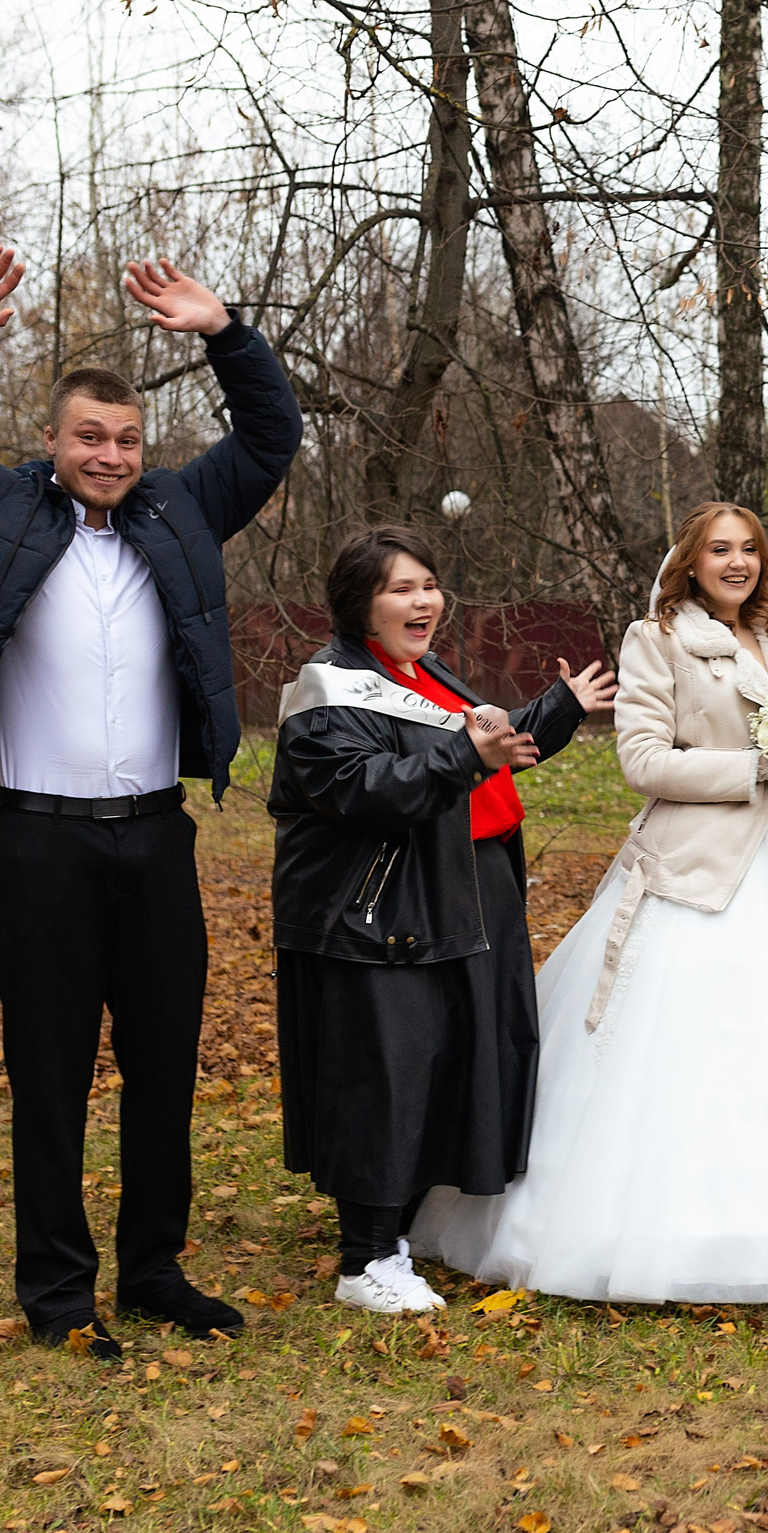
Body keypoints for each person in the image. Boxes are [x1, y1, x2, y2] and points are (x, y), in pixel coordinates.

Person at [0, 244, 302, 1356]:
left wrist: (223, 333)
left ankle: (155, 1270)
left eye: (126, 439)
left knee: (165, 1062)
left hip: (155, 836)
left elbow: (272, 437)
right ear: (50, 439)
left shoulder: (179, 512)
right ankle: (59, 1291)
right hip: (35, 841)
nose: (110, 455)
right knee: (50, 1067)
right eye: (89, 436)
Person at [411, 504, 768, 1301]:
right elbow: (643, 761)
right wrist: (757, 769)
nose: (736, 563)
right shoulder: (657, 637)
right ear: (692, 562)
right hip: (697, 869)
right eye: (719, 550)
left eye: (748, 549)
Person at [268, 527, 613, 1314]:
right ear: (362, 602)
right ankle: (366, 1260)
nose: (422, 600)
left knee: (446, 1064)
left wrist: (556, 711)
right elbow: (368, 785)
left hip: (459, 893)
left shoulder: (419, 673)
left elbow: (482, 749)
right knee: (384, 1076)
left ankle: (407, 1227)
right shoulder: (328, 689)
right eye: (401, 588)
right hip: (381, 911)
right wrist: (470, 753)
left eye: (428, 584)